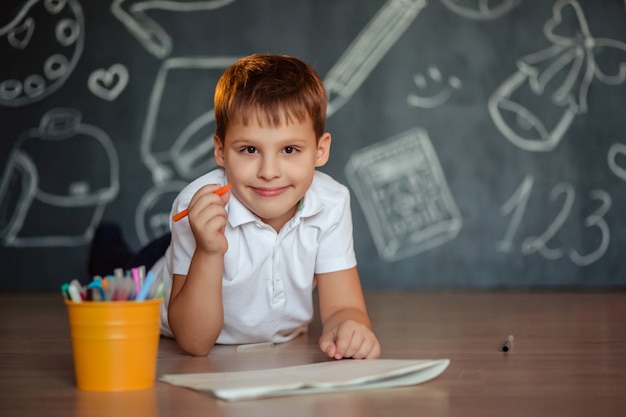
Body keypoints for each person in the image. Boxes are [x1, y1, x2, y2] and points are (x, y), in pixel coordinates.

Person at [150, 53, 381, 359]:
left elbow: (344, 308)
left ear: (320, 150)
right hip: (157, 293)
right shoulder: (196, 204)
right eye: (249, 149)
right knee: (121, 263)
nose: (269, 172)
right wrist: (208, 250)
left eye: (289, 149)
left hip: (274, 345)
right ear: (220, 151)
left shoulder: (332, 202)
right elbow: (194, 342)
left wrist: (349, 327)